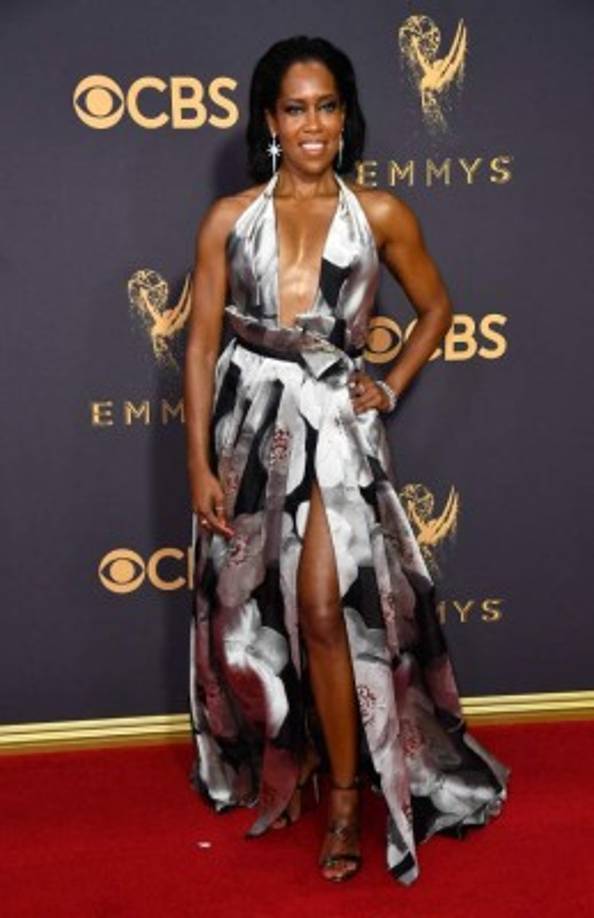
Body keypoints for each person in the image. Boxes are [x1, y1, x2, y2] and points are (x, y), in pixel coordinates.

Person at [184, 35, 510, 886]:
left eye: (327, 106)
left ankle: (342, 798)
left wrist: (390, 384)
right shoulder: (231, 219)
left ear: (346, 113)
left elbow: (436, 308)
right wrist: (198, 464)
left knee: (326, 611)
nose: (314, 124)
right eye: (296, 109)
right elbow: (198, 345)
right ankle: (289, 763)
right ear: (269, 120)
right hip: (248, 425)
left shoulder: (383, 215)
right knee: (252, 614)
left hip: (332, 428)